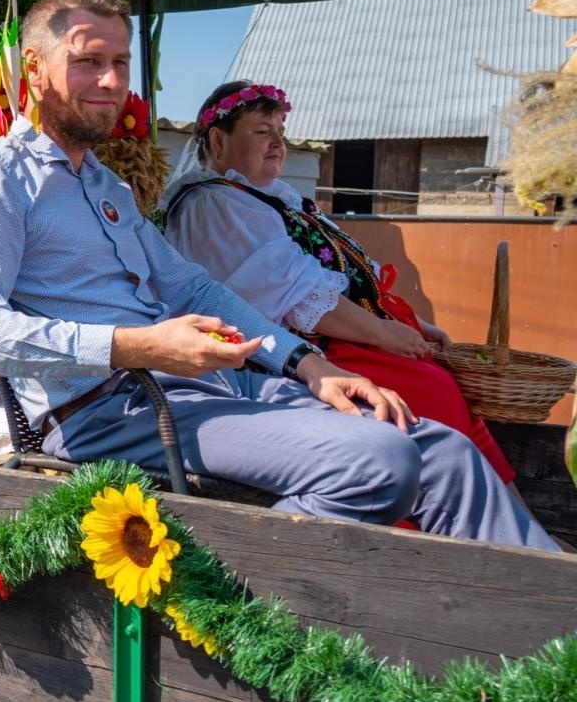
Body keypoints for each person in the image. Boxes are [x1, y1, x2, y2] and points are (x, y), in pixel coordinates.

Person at [0, 0, 556, 551]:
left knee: (444, 449)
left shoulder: (105, 185)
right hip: (103, 412)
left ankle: (551, 649)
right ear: (34, 70)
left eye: (120, 62)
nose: (110, 80)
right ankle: (246, 615)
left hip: (198, 389)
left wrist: (311, 366)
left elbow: (192, 286)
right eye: (88, 60)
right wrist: (141, 345)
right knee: (380, 460)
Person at [159, 80, 517, 483]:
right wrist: (382, 332)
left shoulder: (265, 197)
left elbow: (343, 274)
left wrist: (409, 323)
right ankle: (440, 520)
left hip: (328, 336)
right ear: (218, 141)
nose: (278, 143)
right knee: (427, 389)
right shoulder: (212, 204)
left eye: (281, 132)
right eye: (262, 132)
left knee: (440, 382)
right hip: (279, 359)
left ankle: (506, 517)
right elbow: (293, 292)